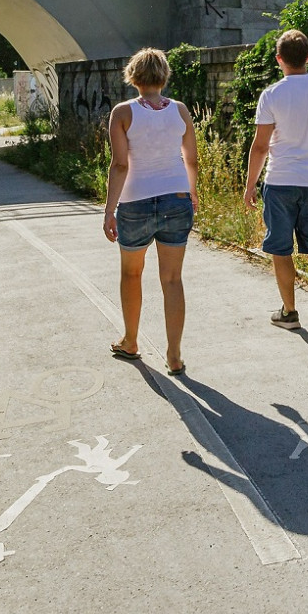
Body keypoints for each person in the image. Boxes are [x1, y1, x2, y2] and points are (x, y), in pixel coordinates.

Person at [242, 29, 308, 335]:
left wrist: (250, 185)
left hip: (280, 183)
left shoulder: (272, 95)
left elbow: (261, 146)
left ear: (279, 59)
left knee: (281, 249)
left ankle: (290, 313)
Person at [102, 48, 200, 374]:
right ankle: (174, 355)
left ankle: (130, 341)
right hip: (176, 198)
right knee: (172, 278)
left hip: (135, 202)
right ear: (164, 75)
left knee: (132, 273)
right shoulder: (181, 111)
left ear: (133, 76)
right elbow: (192, 159)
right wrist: (192, 193)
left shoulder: (123, 113)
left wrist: (109, 210)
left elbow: (119, 165)